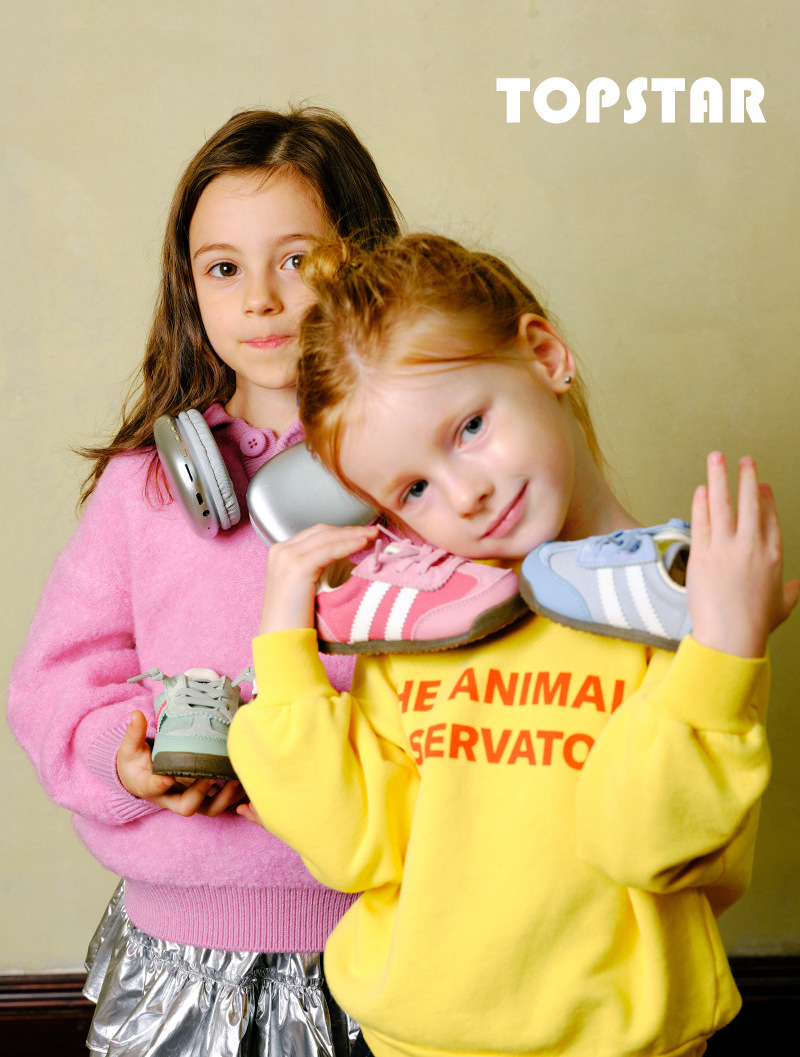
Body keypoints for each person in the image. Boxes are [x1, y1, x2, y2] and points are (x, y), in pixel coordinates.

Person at [228, 234, 798, 1057]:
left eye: (469, 426)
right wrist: (284, 648)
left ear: (545, 354)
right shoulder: (420, 630)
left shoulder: (679, 609)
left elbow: (648, 846)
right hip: (414, 1039)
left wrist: (725, 648)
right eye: (412, 488)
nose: (466, 494)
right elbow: (353, 843)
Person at [7, 107, 402, 1057]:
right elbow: (55, 682)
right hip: (181, 942)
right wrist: (127, 758)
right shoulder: (142, 488)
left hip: (384, 929)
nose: (259, 299)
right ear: (190, 288)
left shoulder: (425, 482)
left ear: (366, 263)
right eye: (224, 268)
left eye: (296, 259)